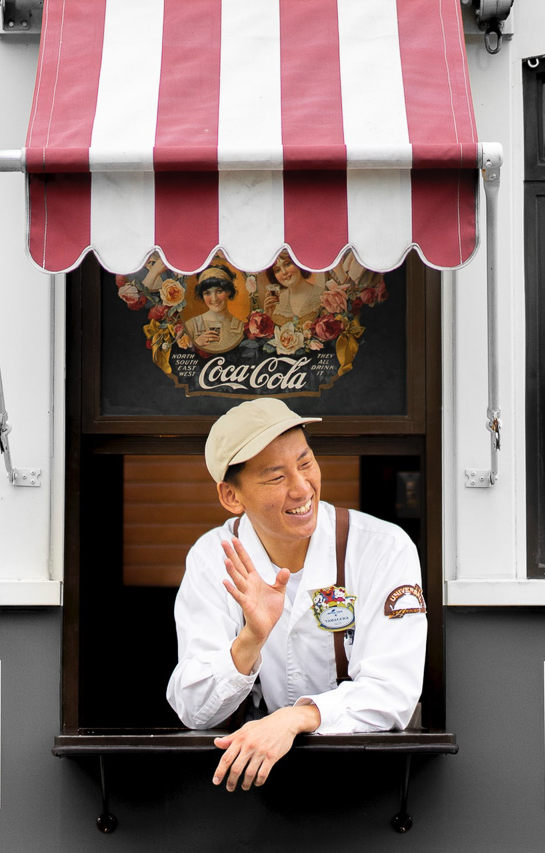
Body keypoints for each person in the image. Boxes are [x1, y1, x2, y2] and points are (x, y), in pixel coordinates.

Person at [166, 398, 427, 792]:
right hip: (250, 790)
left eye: (305, 463)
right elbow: (193, 709)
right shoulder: (213, 557)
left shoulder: (383, 548)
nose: (302, 488)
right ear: (231, 496)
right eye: (275, 477)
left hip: (373, 783)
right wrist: (249, 643)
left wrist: (291, 720)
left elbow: (393, 693)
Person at [184, 266, 245, 355]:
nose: (214, 299)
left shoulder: (241, 327)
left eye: (219, 291)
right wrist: (196, 345)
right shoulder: (191, 325)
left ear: (229, 291)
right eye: (207, 293)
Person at [263, 251, 326, 325]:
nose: (284, 272)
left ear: (299, 263)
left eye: (287, 264)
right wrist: (268, 314)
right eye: (277, 270)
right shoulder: (276, 303)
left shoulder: (323, 296)